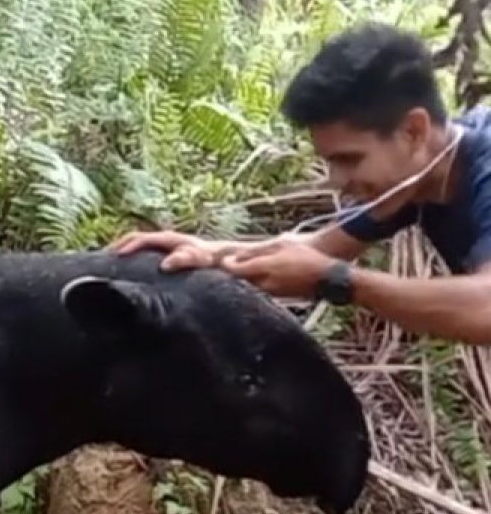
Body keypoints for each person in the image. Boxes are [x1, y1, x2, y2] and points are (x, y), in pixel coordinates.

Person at [110, 22, 491, 345]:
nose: (337, 182)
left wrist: (337, 281)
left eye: (349, 159)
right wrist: (211, 254)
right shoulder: (418, 175)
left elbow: (485, 307)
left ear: (413, 130)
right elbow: (317, 248)